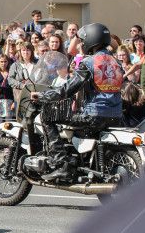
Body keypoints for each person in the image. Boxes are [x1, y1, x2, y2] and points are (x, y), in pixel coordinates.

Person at [32, 23, 124, 182]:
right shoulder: (116, 62)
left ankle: (61, 165)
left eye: (82, 41)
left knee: (47, 117)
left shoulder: (89, 63)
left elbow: (67, 90)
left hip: (94, 115)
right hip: (116, 115)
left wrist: (43, 96)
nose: (81, 44)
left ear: (92, 40)